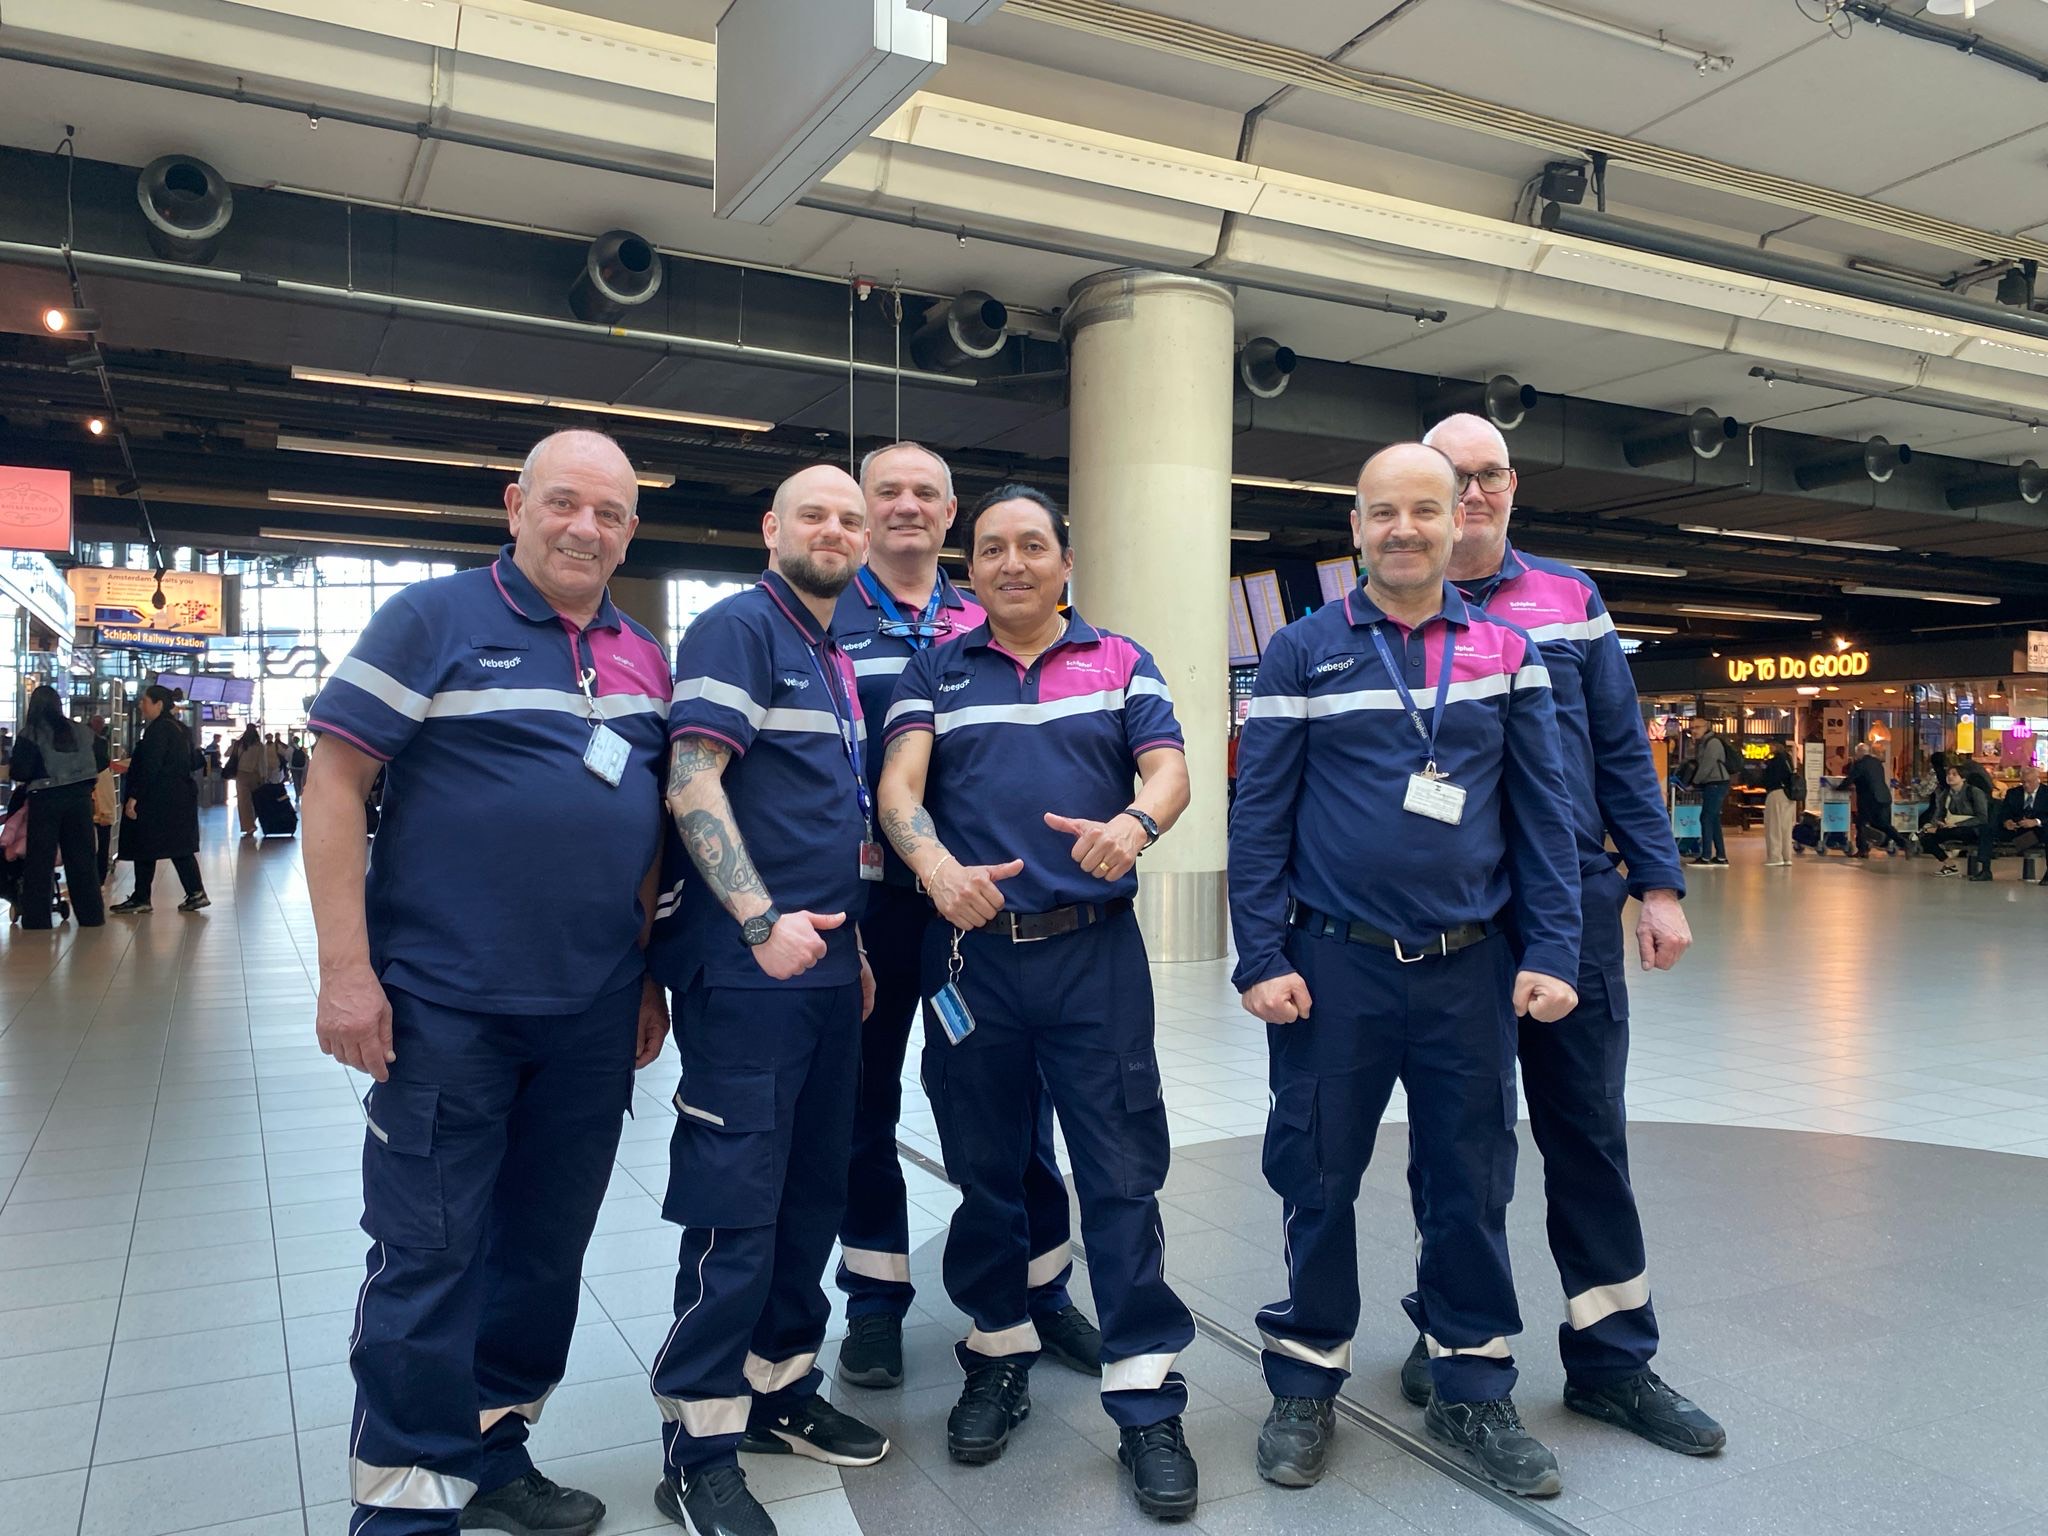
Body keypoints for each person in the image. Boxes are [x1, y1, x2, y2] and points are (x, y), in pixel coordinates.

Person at [303, 430, 673, 1536]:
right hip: (444, 1009)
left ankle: (494, 1447)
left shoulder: (643, 654)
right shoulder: (432, 618)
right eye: (563, 504)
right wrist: (345, 973)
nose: (584, 529)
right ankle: (407, 1509)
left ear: (629, 530)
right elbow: (334, 785)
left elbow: (650, 821)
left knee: (541, 1253)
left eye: (608, 513)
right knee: (429, 1251)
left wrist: (648, 977)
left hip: (593, 1012)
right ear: (515, 505)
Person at [1230, 443, 1581, 1498]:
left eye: (1423, 511)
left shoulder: (1507, 651)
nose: (1404, 531)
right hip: (1331, 969)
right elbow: (1261, 817)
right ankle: (1304, 1381)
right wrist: (1257, 953)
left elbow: (1540, 815)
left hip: (1469, 972)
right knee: (1315, 1175)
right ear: (1354, 526)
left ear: (1455, 519)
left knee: (1468, 1185)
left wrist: (1555, 948)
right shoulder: (1301, 651)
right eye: (1383, 513)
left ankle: (1472, 1383)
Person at [876, 484, 1200, 1518]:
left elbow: (1168, 769)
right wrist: (931, 868)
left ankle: (1146, 1398)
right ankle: (998, 1349)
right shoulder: (937, 666)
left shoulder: (1119, 659)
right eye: (989, 549)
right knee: (985, 1165)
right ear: (969, 568)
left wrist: (1133, 828)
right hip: (971, 960)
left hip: (1089, 956)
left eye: (1031, 546)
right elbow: (897, 790)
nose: (1009, 563)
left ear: (1065, 562)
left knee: (1118, 1170)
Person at [1415, 414, 1723, 1456]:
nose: (1473, 492)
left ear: (1512, 484)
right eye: (1452, 476)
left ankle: (1611, 1360)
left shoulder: (1568, 598)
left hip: (1574, 899)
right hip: (1454, 913)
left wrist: (1657, 884)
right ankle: (1452, 1329)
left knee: (1584, 1131)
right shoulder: (1392, 605)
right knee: (1461, 1141)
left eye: (1489, 473)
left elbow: (1618, 748)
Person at [646, 464, 890, 1536]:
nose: (835, 530)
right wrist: (756, 918)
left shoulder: (830, 654)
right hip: (748, 977)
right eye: (814, 515)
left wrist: (847, 946)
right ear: (771, 527)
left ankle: (778, 1388)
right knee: (735, 1208)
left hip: (826, 973)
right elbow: (690, 779)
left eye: (851, 517)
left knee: (809, 1201)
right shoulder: (737, 628)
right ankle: (698, 1443)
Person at [828, 442, 1099, 1393]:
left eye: (924, 495)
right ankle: (873, 1299)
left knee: (1008, 1109)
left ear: (951, 519)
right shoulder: (824, 615)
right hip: (866, 904)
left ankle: (1040, 1289)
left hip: (978, 912)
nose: (906, 507)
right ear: (862, 514)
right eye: (886, 493)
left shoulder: (991, 613)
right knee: (860, 1106)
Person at [8, 684, 108, 930]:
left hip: (45, 800)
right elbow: (103, 758)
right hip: (80, 800)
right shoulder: (82, 731)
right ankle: (91, 916)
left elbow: (19, 770)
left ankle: (37, 920)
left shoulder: (31, 734)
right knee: (83, 859)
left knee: (39, 861)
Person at [109, 685, 209, 914]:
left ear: (159, 704)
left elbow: (151, 766)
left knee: (145, 844)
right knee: (176, 845)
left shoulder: (158, 730)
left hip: (158, 798)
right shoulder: (180, 728)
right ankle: (195, 892)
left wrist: (135, 796)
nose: (141, 706)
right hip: (179, 796)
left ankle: (142, 897)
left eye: (145, 701)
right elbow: (194, 761)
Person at [1921, 764, 1991, 878]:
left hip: (1971, 829)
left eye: (1954, 774)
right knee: (1925, 837)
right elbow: (1940, 814)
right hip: (1949, 828)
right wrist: (1938, 823)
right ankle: (1949, 864)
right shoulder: (1945, 794)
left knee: (1955, 831)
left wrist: (1956, 824)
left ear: (1963, 778)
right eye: (1948, 774)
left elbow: (1982, 818)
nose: (1950, 777)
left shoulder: (1974, 792)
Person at [1686, 719, 1733, 865]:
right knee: (1713, 820)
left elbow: (1707, 765)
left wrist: (1695, 782)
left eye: (1697, 727)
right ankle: (1720, 856)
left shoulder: (1712, 743)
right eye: (1692, 728)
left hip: (1716, 783)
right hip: (1712, 783)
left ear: (1706, 727)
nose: (1694, 730)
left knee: (1706, 818)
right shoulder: (1703, 743)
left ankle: (1706, 856)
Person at [1845, 742, 1903, 857]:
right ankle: (1902, 844)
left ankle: (1863, 850)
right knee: (1883, 824)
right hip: (1884, 797)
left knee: (1862, 823)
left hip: (1870, 800)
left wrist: (1838, 787)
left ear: (1860, 753)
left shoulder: (1860, 764)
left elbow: (1850, 779)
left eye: (1857, 753)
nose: (1856, 756)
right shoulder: (1877, 763)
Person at [1998, 764, 2048, 885]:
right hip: (2016, 830)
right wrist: (2007, 821)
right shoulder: (2013, 793)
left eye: (2029, 782)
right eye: (2023, 782)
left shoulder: (2046, 793)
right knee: (1987, 829)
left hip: (2038, 830)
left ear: (2038, 780)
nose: (2026, 785)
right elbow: (2004, 812)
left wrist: (2036, 821)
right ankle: (1985, 869)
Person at [228, 723, 273, 837]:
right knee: (256, 800)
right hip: (256, 775)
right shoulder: (259, 746)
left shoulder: (239, 744)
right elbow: (263, 763)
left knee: (243, 802)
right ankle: (253, 819)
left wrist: (233, 745)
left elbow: (227, 753)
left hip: (241, 775)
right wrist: (264, 776)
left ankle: (248, 826)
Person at [87, 714, 116, 885]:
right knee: (103, 838)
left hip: (89, 798)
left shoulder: (85, 742)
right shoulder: (101, 744)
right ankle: (99, 876)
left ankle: (94, 875)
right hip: (101, 798)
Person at [1760, 742, 1798, 867]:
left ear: (1775, 746)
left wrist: (1764, 765)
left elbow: (1767, 779)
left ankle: (1775, 857)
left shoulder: (1775, 761)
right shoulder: (1788, 759)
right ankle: (1787, 856)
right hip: (1789, 796)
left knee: (1773, 826)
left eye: (1771, 745)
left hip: (1776, 794)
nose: (1769, 747)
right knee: (1785, 828)